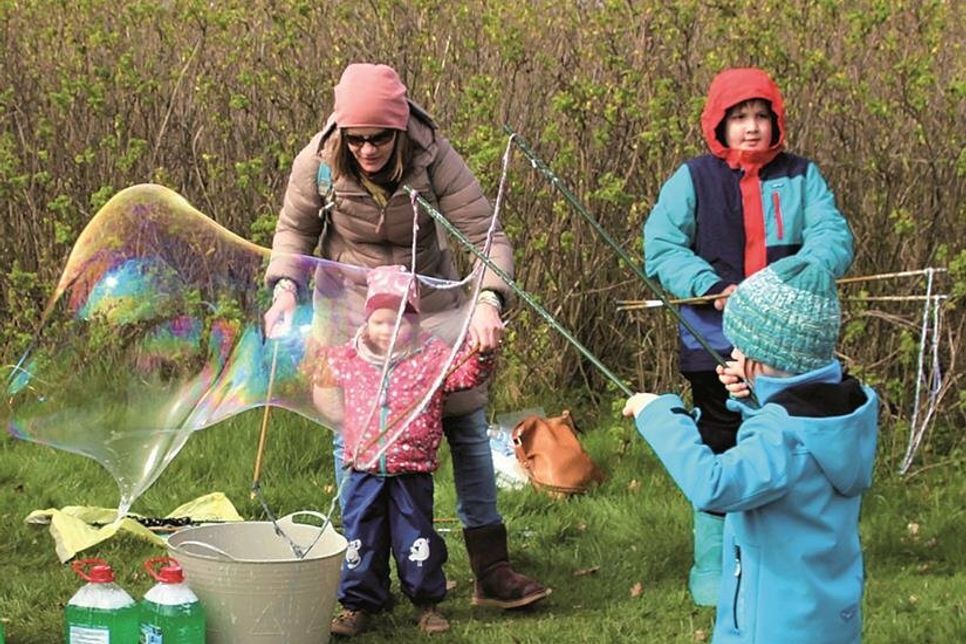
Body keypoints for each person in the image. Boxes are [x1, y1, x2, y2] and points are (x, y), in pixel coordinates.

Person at [263, 62, 548, 609]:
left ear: (399, 132)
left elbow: (488, 234)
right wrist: (284, 291)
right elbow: (293, 232)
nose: (368, 150)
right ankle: (359, 576)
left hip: (430, 304)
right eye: (358, 139)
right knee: (352, 436)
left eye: (379, 139)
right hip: (350, 311)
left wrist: (489, 300)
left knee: (466, 421)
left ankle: (491, 568)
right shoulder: (317, 165)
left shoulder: (433, 155)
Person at [642, 66, 854, 605]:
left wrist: (800, 275)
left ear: (776, 121)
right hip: (713, 339)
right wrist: (710, 287)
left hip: (789, 343)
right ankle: (714, 567)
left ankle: (777, 554)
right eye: (739, 118)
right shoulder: (692, 178)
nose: (752, 127)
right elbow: (662, 246)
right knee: (719, 438)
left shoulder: (803, 176)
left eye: (762, 116)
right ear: (719, 123)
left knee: (790, 436)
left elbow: (832, 235)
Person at [623, 256, 878, 643]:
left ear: (764, 358)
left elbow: (715, 485)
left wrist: (658, 413)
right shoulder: (847, 408)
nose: (734, 356)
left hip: (772, 629)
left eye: (740, 348)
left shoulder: (781, 437)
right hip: (829, 620)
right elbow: (793, 444)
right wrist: (758, 399)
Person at [313, 266, 494, 636]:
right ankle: (358, 605)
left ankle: (426, 603)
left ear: (414, 321)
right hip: (362, 469)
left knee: (417, 539)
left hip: (412, 469)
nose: (389, 329)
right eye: (380, 321)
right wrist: (307, 352)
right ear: (367, 322)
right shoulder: (349, 358)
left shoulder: (431, 358)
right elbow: (319, 375)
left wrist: (484, 351)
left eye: (400, 320)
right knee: (361, 538)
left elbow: (465, 377)